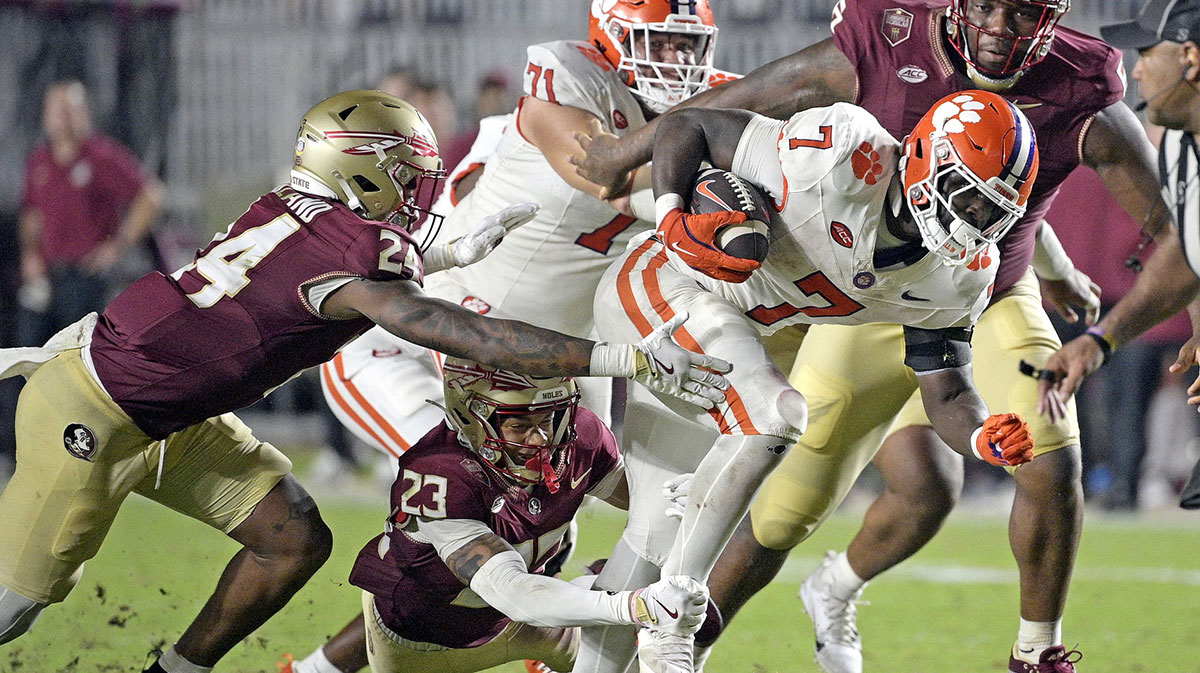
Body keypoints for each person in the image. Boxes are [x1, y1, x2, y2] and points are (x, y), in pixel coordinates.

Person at [0, 89, 730, 673]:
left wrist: (440, 255)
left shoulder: (289, 209)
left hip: (174, 411)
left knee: (291, 536)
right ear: (364, 170)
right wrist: (619, 358)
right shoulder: (351, 244)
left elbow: (307, 280)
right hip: (96, 407)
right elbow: (452, 330)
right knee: (15, 606)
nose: (416, 197)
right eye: (407, 179)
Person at [569, 1, 1167, 670]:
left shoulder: (974, 259)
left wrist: (979, 433)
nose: (1001, 28)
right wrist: (656, 185)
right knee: (768, 499)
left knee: (1008, 462)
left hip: (902, 307)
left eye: (1024, 12)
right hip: (753, 296)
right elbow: (717, 114)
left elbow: (959, 347)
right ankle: (640, 631)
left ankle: (1033, 651)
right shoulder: (842, 149)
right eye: (989, 7)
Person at [297, 4, 731, 670]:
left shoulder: (654, 109)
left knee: (558, 499)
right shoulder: (559, 99)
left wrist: (678, 544)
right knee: (466, 518)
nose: (675, 64)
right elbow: (616, 182)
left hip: (536, 358)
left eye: (684, 48)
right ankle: (338, 664)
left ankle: (551, 630)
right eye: (661, 45)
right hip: (416, 339)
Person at [587, 89, 1040, 673]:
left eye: (989, 213)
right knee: (776, 414)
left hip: (720, 339)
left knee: (651, 539)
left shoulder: (958, 276)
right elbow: (689, 124)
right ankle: (676, 616)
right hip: (662, 285)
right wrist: (673, 214)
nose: (970, 222)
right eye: (965, 197)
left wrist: (982, 438)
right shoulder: (844, 155)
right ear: (926, 158)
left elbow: (947, 389)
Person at [341, 356, 707, 673]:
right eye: (518, 425)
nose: (539, 441)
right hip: (424, 645)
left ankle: (589, 594)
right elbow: (513, 592)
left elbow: (640, 500)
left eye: (547, 419)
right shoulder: (441, 473)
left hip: (523, 624)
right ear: (470, 416)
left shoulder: (580, 435)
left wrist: (687, 492)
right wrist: (636, 604)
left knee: (619, 659)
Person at [1040, 0, 1200, 510]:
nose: (1136, 69)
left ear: (1191, 59)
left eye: (1148, 52)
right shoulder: (1178, 143)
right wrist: (1099, 341)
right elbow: (1185, 251)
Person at [17, 79, 164, 348]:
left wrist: (117, 246)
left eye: (69, 110)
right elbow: (31, 213)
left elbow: (150, 197)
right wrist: (30, 254)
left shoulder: (102, 156)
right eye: (56, 111)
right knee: (27, 348)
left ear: (83, 113)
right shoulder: (39, 160)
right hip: (47, 275)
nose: (63, 118)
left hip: (86, 276)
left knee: (79, 353)